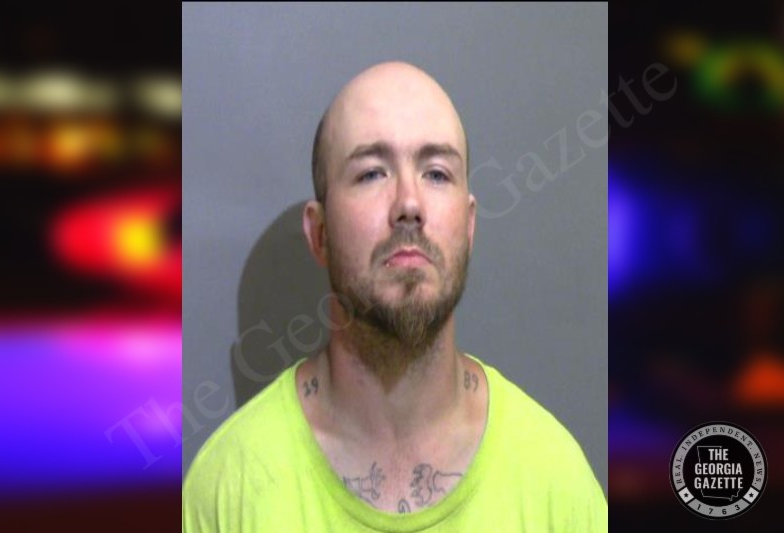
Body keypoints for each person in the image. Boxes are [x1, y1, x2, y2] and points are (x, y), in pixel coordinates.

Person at [183, 61, 607, 532]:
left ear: (468, 227)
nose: (408, 204)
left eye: (437, 173)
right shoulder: (227, 491)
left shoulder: (557, 486)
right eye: (371, 173)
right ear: (319, 233)